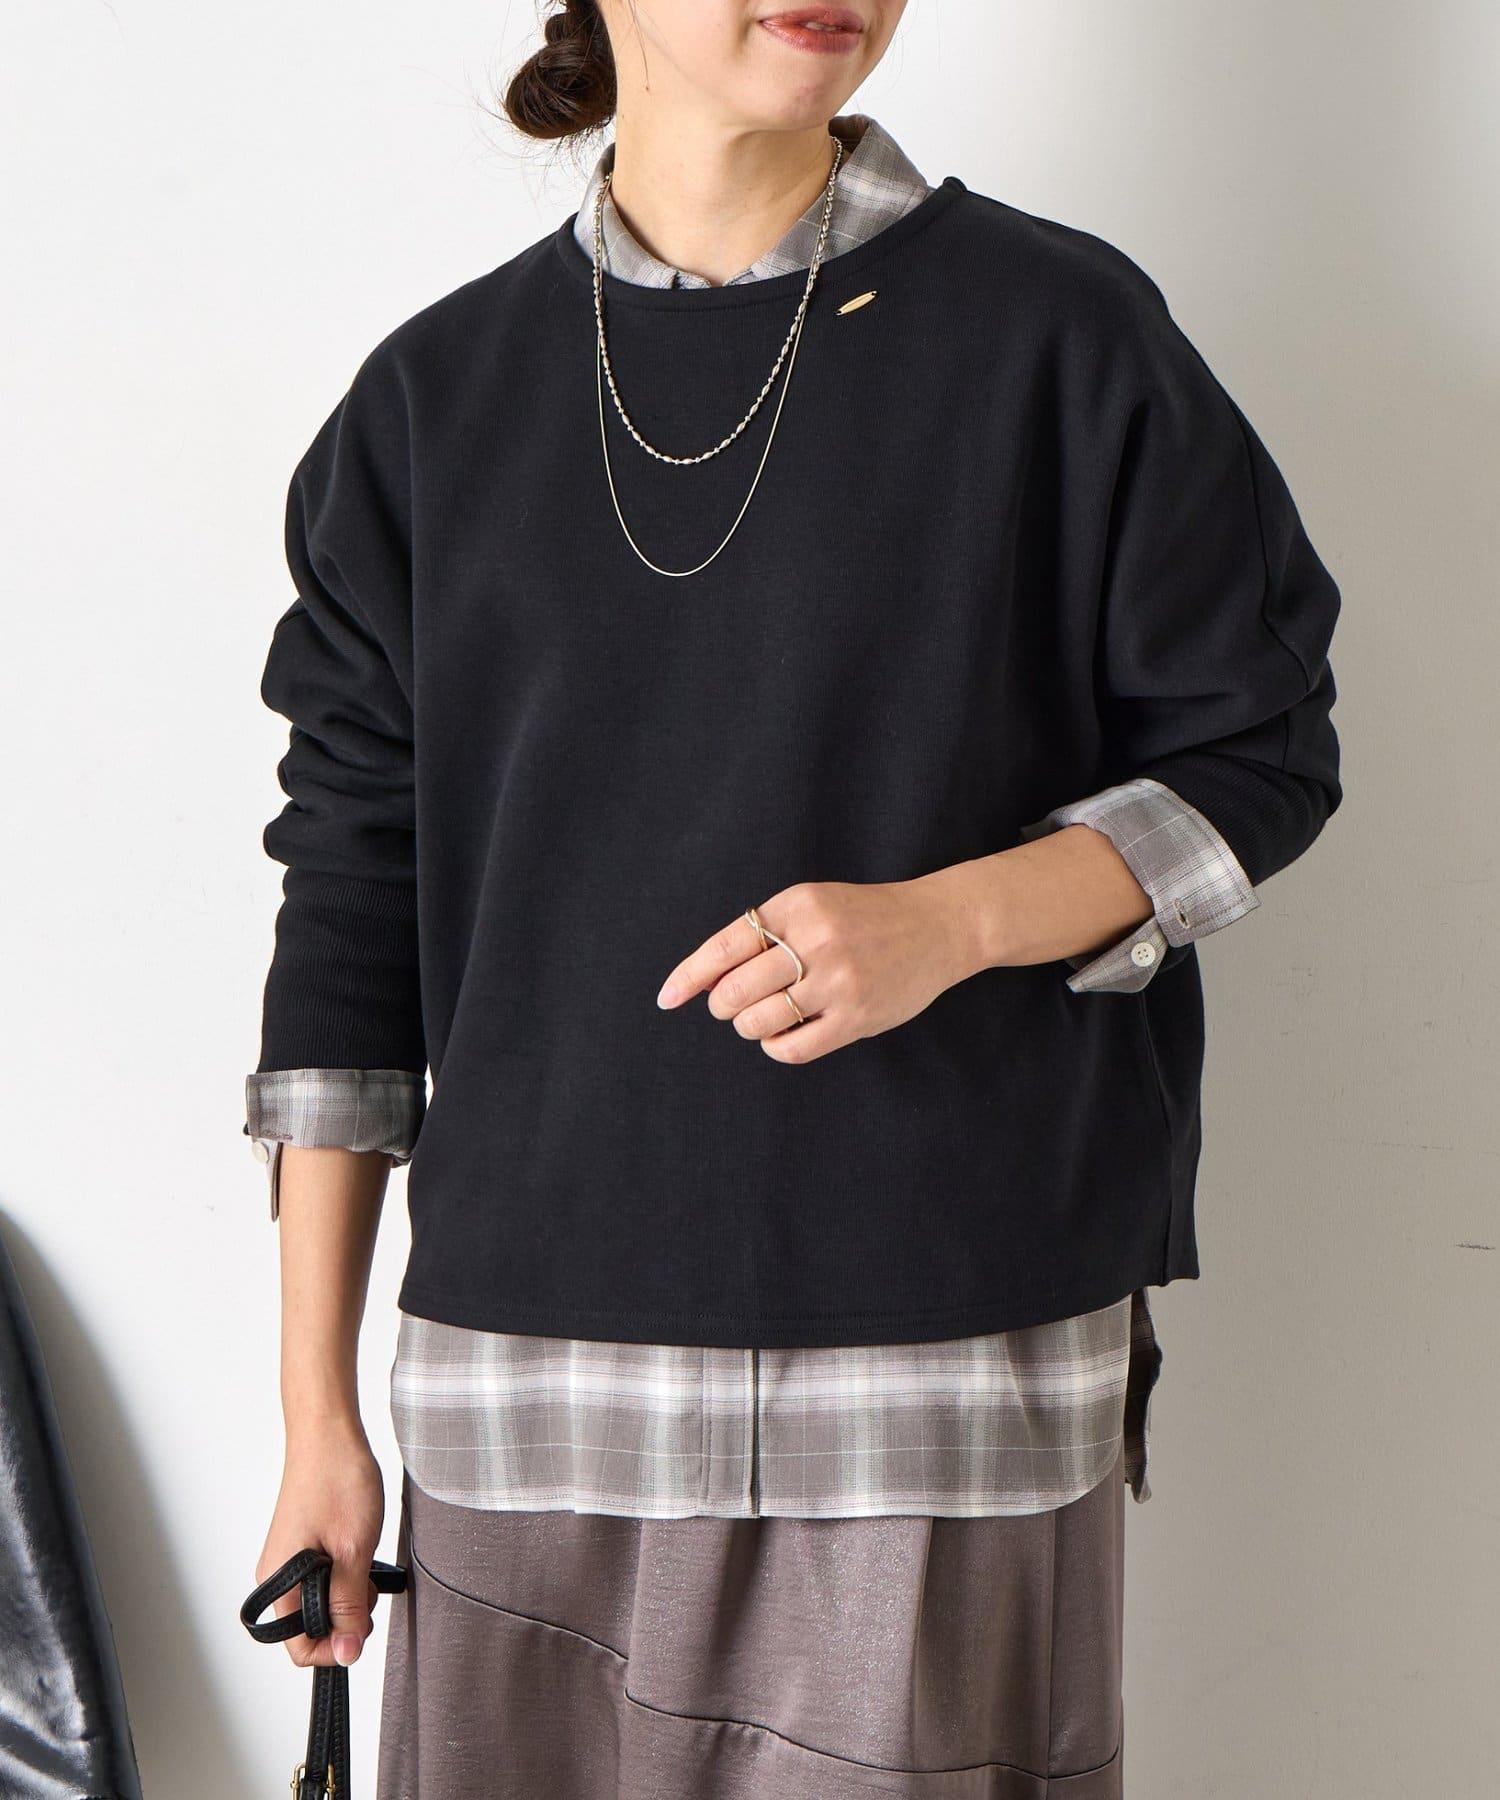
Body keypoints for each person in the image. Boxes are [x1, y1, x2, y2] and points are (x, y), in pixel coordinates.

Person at [247, 2, 1342, 1794]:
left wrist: (954, 920)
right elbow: (349, 919)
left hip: (932, 1372)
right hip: (530, 1396)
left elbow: (1260, 749)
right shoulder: (432, 403)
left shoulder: (1064, 338)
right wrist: (318, 1423)